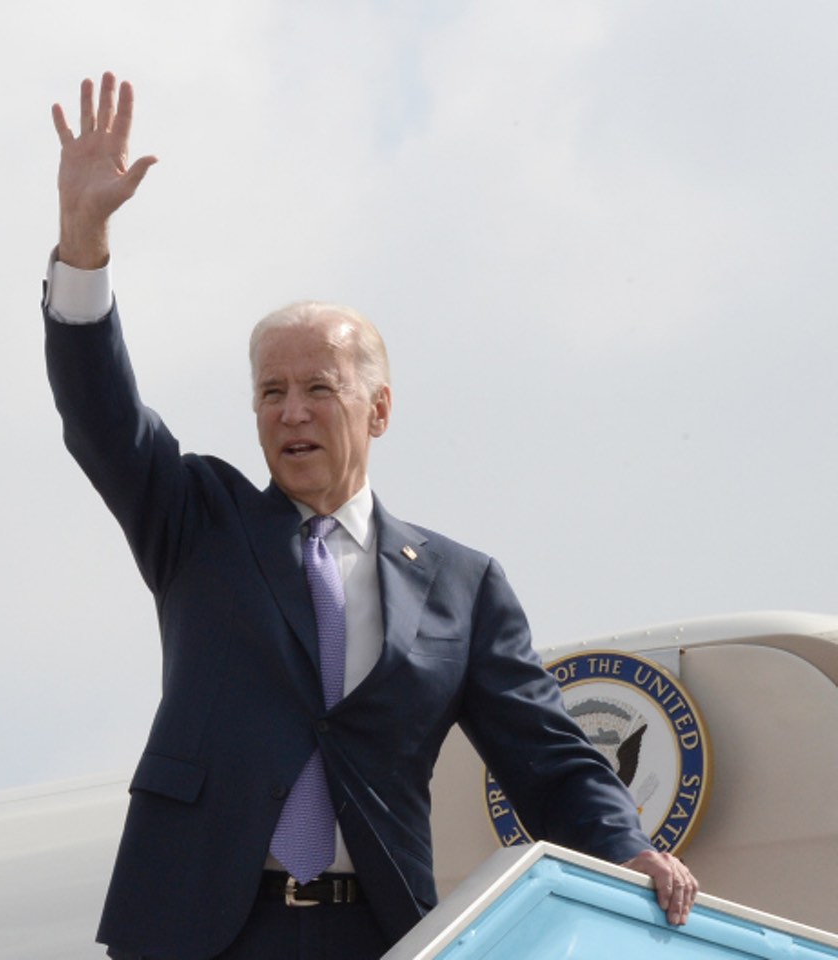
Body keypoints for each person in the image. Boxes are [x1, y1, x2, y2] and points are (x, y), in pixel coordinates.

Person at [44, 72, 698, 960]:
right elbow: (101, 417)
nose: (292, 412)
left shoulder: (463, 587)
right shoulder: (198, 520)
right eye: (271, 392)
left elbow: (551, 762)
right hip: (199, 930)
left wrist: (629, 850)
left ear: (379, 410)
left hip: (378, 932)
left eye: (320, 388)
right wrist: (84, 240)